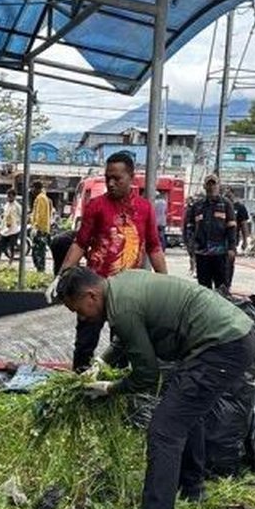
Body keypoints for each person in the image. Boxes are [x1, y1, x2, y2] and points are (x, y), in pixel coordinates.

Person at [57, 266, 255, 509]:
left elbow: (147, 376)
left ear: (92, 295)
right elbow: (125, 340)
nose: (82, 317)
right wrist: (101, 364)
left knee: (164, 430)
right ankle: (193, 488)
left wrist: (109, 389)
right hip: (231, 337)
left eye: (79, 309)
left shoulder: (122, 308)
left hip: (223, 346)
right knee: (185, 410)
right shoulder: (120, 286)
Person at [55, 151, 168, 371]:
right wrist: (62, 276)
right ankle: (79, 387)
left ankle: (116, 391)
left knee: (124, 348)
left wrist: (165, 284)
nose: (111, 183)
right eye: (108, 178)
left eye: (117, 178)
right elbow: (80, 243)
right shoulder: (96, 206)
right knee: (84, 346)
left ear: (131, 178)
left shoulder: (145, 209)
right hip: (94, 289)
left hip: (128, 294)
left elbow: (154, 248)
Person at [186, 175, 237, 291]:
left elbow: (231, 228)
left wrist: (231, 248)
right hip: (202, 254)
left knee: (222, 289)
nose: (211, 187)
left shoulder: (226, 204)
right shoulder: (197, 206)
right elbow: (190, 228)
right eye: (209, 184)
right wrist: (191, 249)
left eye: (214, 184)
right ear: (204, 186)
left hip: (220, 254)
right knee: (204, 290)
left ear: (219, 186)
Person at [226, 189, 250, 289]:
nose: (227, 195)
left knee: (229, 263)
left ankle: (227, 286)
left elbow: (244, 225)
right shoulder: (219, 206)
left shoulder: (240, 208)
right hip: (217, 241)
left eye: (229, 193)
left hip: (232, 241)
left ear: (233, 194)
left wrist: (245, 240)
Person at [30, 181, 54, 273]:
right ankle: (40, 270)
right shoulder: (43, 198)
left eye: (32, 188)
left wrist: (35, 227)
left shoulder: (41, 198)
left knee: (38, 252)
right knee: (39, 251)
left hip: (40, 229)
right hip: (42, 229)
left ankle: (40, 270)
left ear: (37, 188)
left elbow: (40, 214)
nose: (31, 190)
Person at [0, 189, 22, 264]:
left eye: (10, 196)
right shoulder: (6, 205)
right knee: (0, 245)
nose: (9, 198)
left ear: (14, 197)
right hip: (5, 229)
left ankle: (10, 261)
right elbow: (4, 215)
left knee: (12, 246)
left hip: (14, 229)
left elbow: (21, 216)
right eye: (8, 196)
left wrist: (17, 223)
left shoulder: (18, 206)